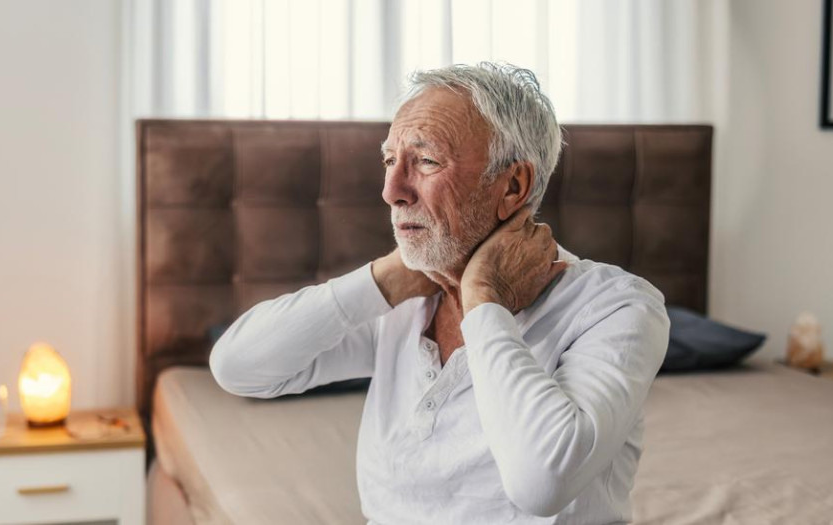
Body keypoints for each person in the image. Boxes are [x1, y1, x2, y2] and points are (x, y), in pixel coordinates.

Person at [209, 62, 669, 524]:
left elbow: (541, 483)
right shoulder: (405, 297)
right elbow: (237, 367)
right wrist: (382, 278)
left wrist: (484, 297)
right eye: (390, 160)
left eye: (426, 161)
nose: (392, 191)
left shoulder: (617, 306)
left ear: (513, 186)